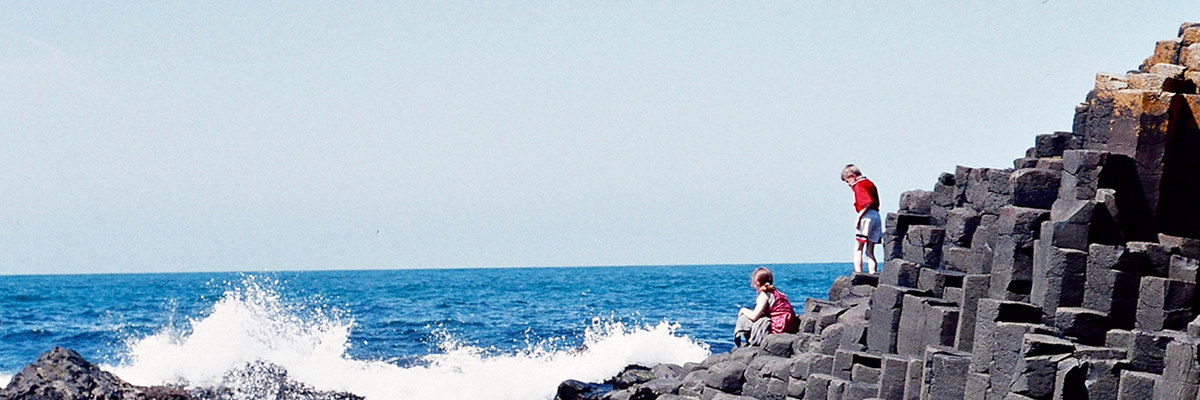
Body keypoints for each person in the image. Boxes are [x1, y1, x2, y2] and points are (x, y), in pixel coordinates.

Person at [734, 267, 799, 347]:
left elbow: (754, 316)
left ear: (757, 283)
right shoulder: (779, 293)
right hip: (791, 325)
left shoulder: (764, 295)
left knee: (744, 318)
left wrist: (743, 310)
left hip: (779, 327)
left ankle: (748, 341)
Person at [842, 164, 881, 274]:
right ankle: (872, 273)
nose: (849, 185)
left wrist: (859, 217)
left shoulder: (859, 185)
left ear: (852, 176)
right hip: (876, 215)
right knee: (870, 250)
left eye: (847, 181)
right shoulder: (870, 183)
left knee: (858, 248)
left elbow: (866, 201)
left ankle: (858, 273)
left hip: (867, 215)